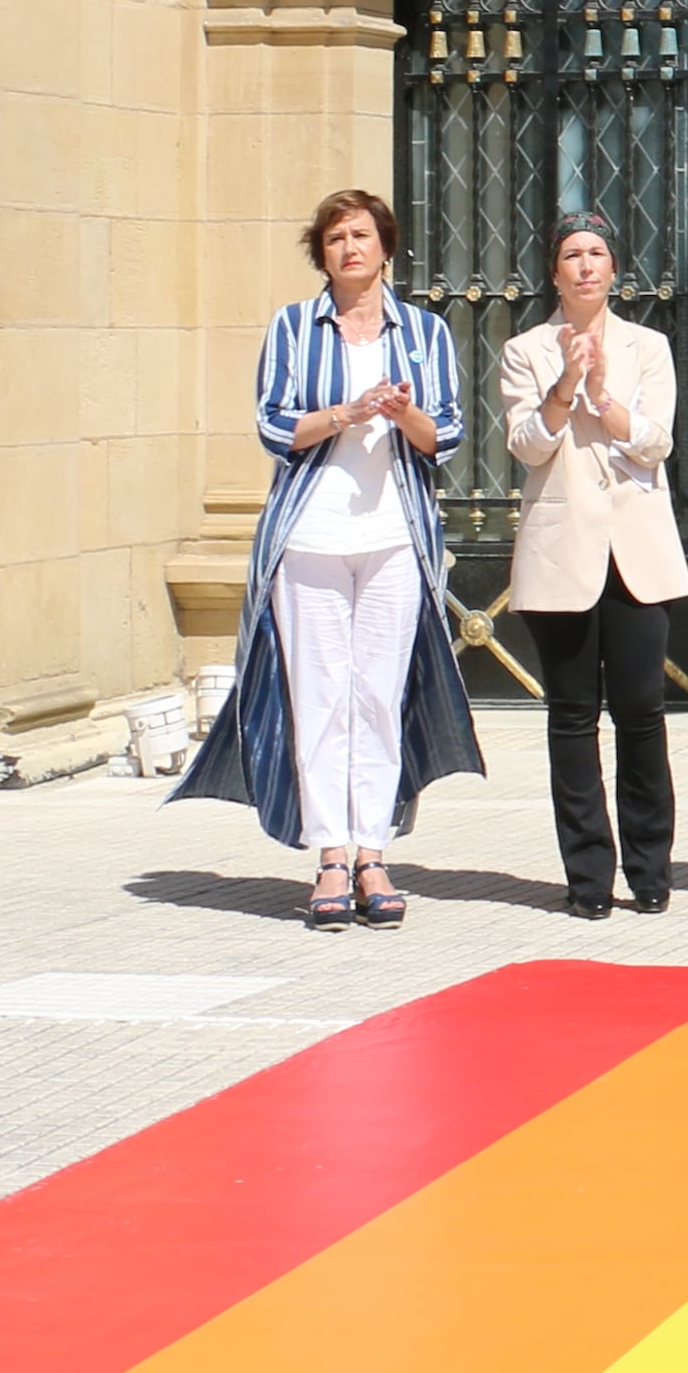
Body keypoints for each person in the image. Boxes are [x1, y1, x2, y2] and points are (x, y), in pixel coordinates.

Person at [172, 187, 480, 928]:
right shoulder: (292, 327)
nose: (350, 247)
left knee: (377, 693)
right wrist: (347, 411)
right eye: (337, 237)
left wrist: (402, 411)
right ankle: (330, 855)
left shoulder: (425, 332)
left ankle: (375, 851)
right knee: (319, 694)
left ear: (386, 247)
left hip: (394, 539)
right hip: (310, 537)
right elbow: (273, 425)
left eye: (362, 235)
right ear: (323, 252)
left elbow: (449, 434)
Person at [497, 213, 688, 921]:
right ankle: (586, 875)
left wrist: (602, 395)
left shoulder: (649, 345)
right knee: (572, 716)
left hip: (636, 551)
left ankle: (650, 867)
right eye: (571, 254)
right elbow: (528, 445)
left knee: (642, 712)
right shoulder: (524, 349)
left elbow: (655, 442)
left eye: (597, 254)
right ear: (554, 272)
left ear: (614, 270)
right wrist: (563, 385)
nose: (584, 266)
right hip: (561, 552)